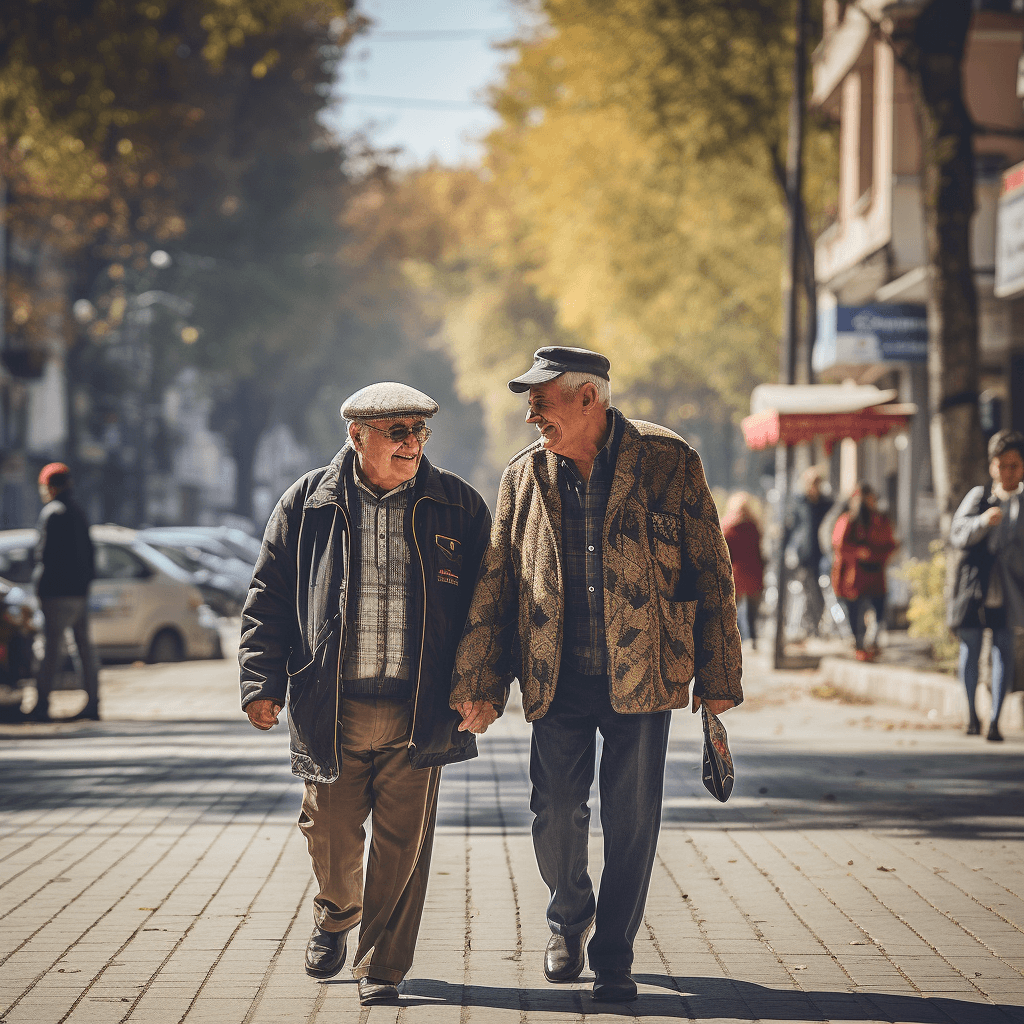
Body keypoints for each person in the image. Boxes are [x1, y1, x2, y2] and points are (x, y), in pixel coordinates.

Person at [450, 347, 742, 1004]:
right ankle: (568, 916)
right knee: (554, 810)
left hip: (645, 673)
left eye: (541, 401)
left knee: (632, 818)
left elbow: (713, 570)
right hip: (556, 676)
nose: (531, 417)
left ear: (588, 398)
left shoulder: (670, 462)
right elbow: (495, 584)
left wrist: (719, 672)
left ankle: (614, 953)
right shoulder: (522, 479)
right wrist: (480, 683)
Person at [239, 383, 490, 1005]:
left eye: (420, 433)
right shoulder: (307, 503)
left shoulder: (457, 504)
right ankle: (336, 913)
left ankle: (381, 967)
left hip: (419, 708)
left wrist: (484, 687)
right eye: (398, 432)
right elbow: (268, 595)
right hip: (333, 705)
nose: (413, 444)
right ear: (358, 435)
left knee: (403, 848)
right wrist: (260, 681)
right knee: (330, 832)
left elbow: (492, 609)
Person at [948, 428, 1024, 741]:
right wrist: (982, 522)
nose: (1007, 472)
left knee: (1004, 651)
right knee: (971, 651)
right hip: (974, 589)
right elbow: (957, 534)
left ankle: (995, 721)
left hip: (1010, 590)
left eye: (1014, 465)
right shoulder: (979, 497)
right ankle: (972, 716)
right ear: (992, 466)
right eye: (1001, 465)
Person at [29, 462, 99, 723]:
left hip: (56, 595)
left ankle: (42, 704)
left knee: (50, 651)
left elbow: (44, 557)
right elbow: (91, 555)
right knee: (84, 648)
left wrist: (39, 588)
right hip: (80, 594)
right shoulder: (80, 512)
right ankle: (93, 703)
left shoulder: (51, 513)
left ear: (49, 486)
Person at [830, 482, 897, 661]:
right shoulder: (848, 520)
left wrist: (876, 554)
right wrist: (859, 553)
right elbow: (839, 545)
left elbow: (890, 545)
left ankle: (872, 643)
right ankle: (860, 645)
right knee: (855, 612)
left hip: (876, 573)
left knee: (879, 610)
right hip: (854, 575)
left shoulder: (880, 520)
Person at [785, 466, 833, 637]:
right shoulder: (799, 502)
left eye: (817, 483)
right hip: (804, 555)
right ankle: (811, 626)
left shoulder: (827, 503)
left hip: (823, 554)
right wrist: (790, 550)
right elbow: (792, 529)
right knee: (808, 591)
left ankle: (817, 626)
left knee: (821, 592)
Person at [720, 492, 764, 647]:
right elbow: (759, 552)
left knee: (734, 609)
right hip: (753, 571)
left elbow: (725, 554)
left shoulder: (727, 528)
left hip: (735, 572)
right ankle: (752, 638)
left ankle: (737, 640)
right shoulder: (754, 527)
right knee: (752, 610)